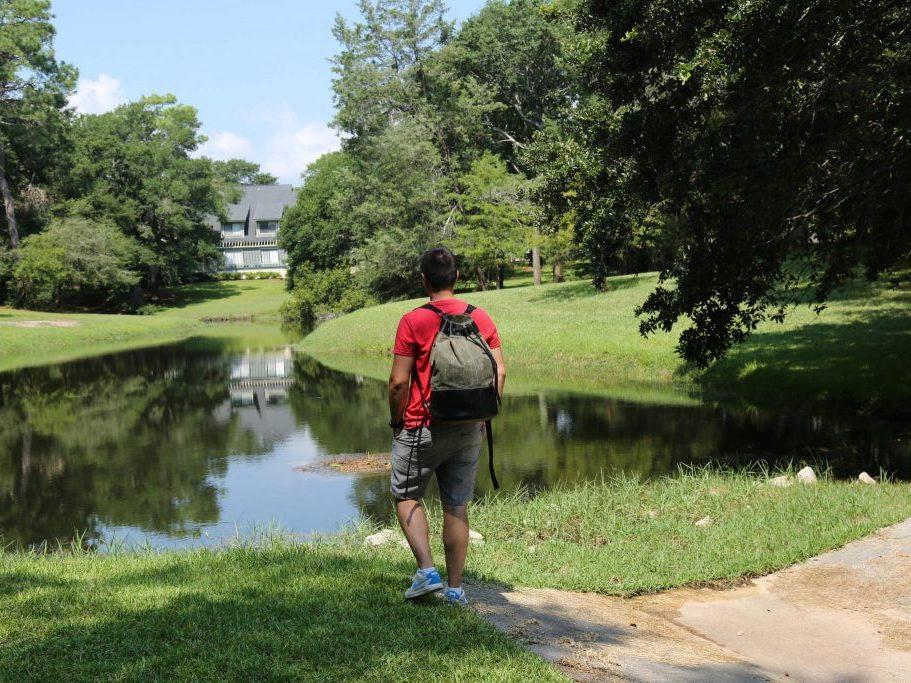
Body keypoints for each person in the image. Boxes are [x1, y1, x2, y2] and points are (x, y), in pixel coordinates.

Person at [388, 247, 506, 606]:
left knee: (407, 495)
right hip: (470, 426)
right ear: (457, 277)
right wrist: (483, 416)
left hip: (422, 426)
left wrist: (398, 423)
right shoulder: (480, 317)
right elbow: (499, 371)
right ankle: (455, 590)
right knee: (456, 504)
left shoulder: (414, 320)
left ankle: (426, 571)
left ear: (424, 279)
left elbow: (397, 383)